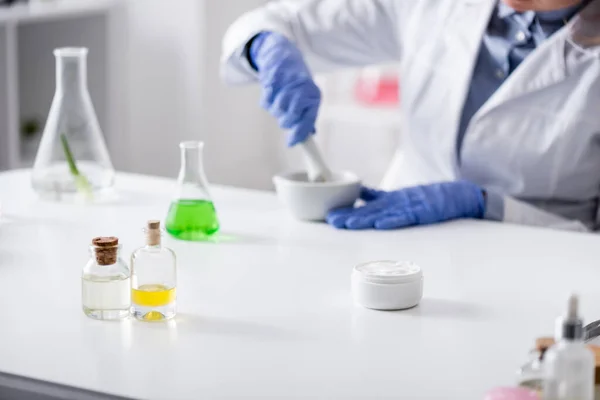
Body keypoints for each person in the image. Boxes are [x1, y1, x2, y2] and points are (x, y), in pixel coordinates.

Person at [221, 0, 600, 231]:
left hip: (541, 269)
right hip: (397, 245)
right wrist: (267, 47)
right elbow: (281, 21)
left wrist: (490, 206)